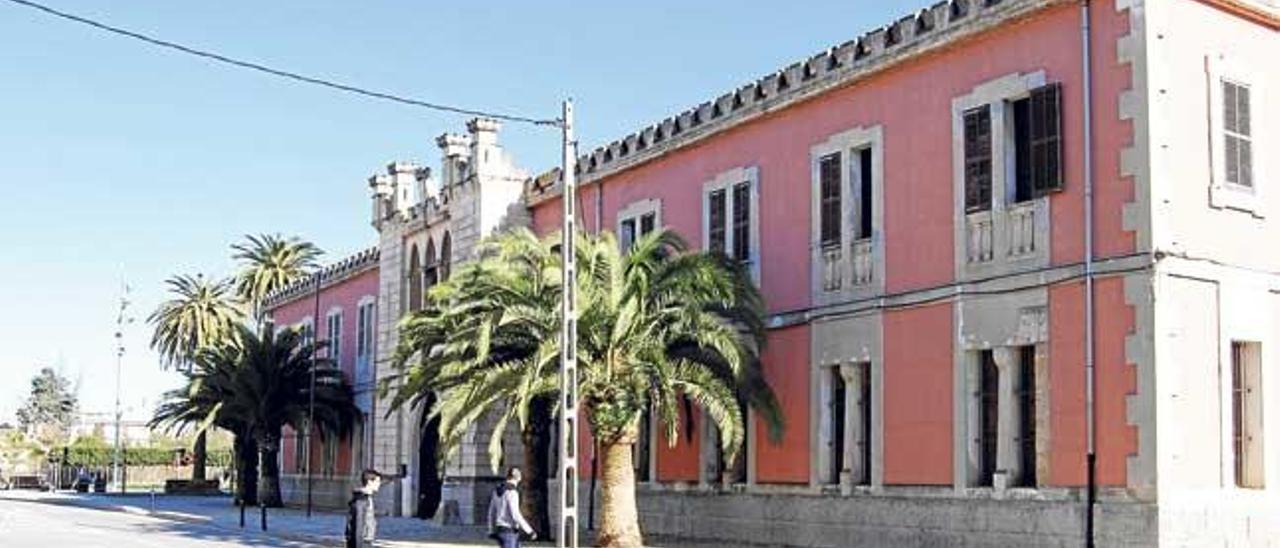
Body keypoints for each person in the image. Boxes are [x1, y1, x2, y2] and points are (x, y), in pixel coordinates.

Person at [487, 467, 535, 548]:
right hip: (510, 531)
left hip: (500, 530)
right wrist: (529, 531)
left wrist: (491, 530)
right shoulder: (512, 492)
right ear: (518, 478)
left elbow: (491, 512)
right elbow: (515, 514)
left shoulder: (497, 491)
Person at [345, 469, 382, 548]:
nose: (379, 484)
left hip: (366, 540)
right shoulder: (361, 500)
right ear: (369, 482)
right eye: (377, 481)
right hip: (362, 542)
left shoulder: (366, 498)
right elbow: (358, 526)